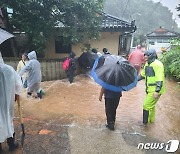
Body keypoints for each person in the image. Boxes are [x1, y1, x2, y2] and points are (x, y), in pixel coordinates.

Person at [0, 52, 22, 152]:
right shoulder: (9, 69)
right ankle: (11, 144)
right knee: (8, 120)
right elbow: (18, 84)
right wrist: (16, 94)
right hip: (7, 103)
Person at [138, 49, 165, 126]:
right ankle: (151, 122)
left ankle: (144, 124)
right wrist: (134, 81)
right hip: (149, 89)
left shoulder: (158, 65)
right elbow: (142, 75)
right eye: (145, 55)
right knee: (151, 107)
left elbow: (160, 78)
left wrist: (157, 91)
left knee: (146, 105)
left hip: (155, 90)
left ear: (151, 56)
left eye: (147, 55)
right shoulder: (147, 64)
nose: (145, 57)